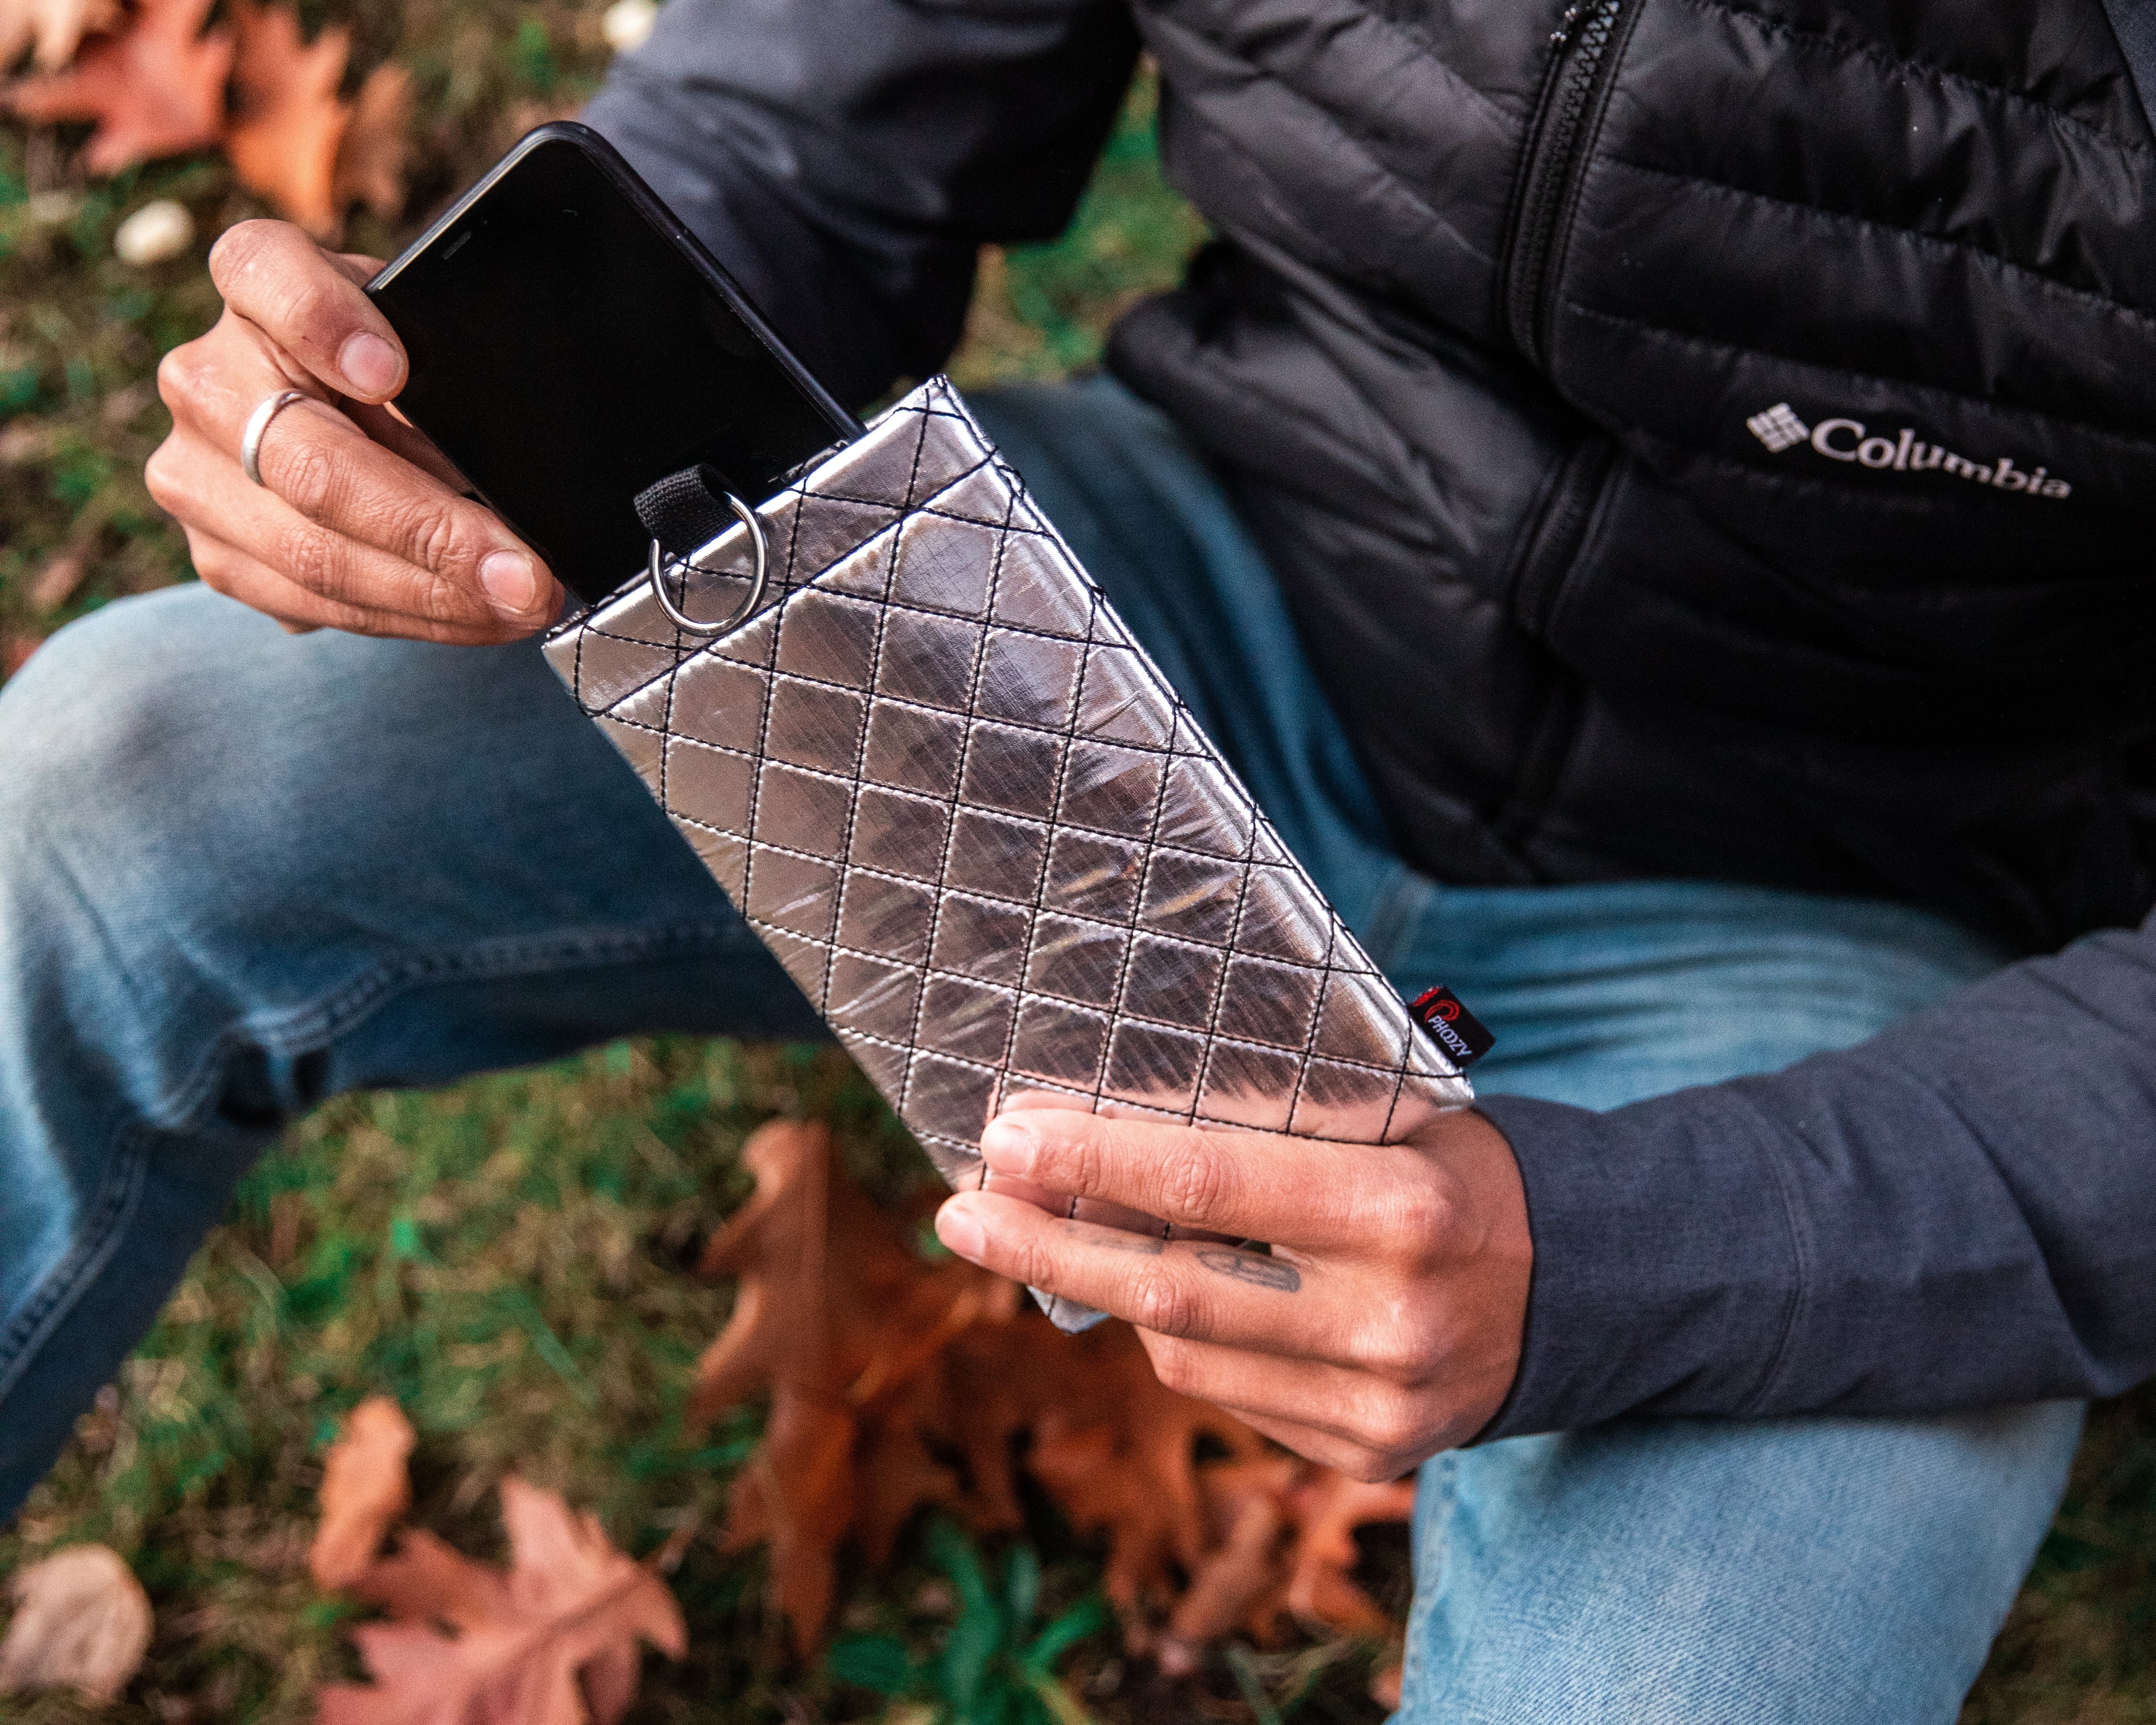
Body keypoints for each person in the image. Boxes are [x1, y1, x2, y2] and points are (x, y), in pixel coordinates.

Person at [7, 0, 2156, 1715]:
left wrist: (1649, 1257)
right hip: (1128, 630)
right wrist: (467, 399)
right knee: (123, 773)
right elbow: (810, 135)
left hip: (1874, 952)